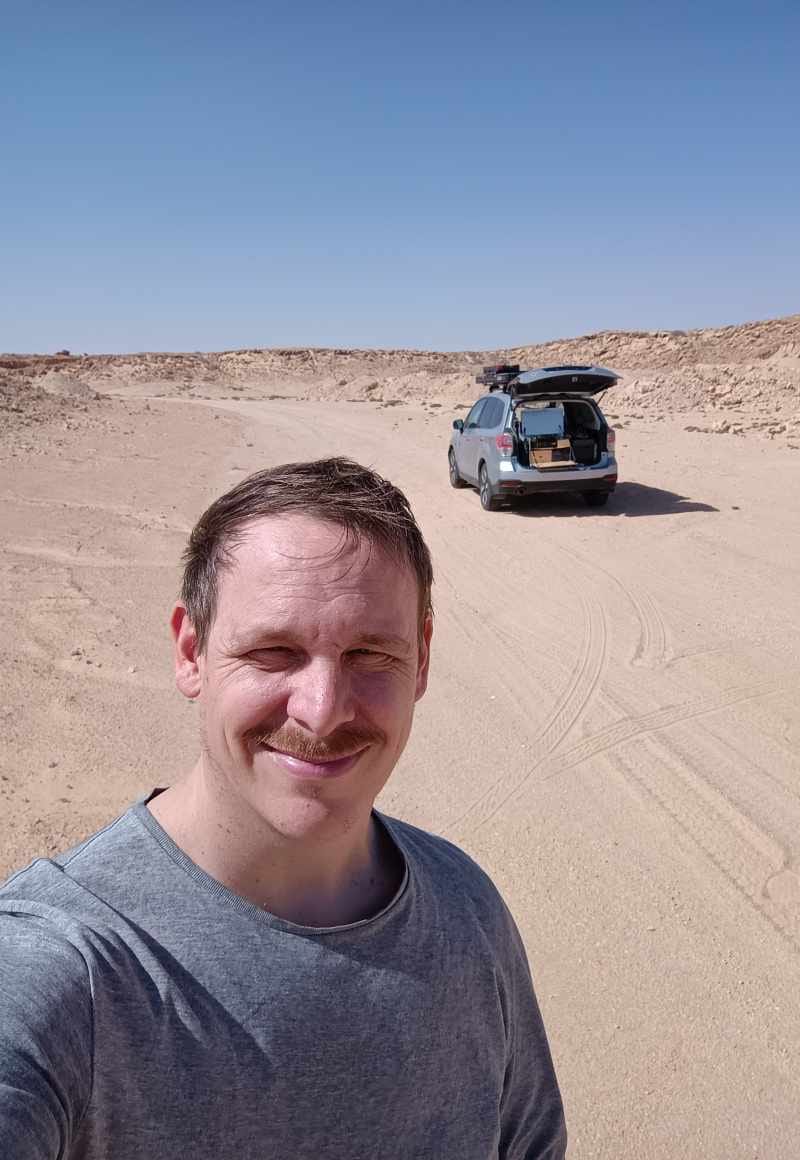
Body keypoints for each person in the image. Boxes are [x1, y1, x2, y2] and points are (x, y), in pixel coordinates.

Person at [0, 457, 567, 1159]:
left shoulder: (467, 908)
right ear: (191, 652)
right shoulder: (65, 970)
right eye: (274, 651)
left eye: (370, 654)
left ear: (421, 659)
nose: (323, 711)